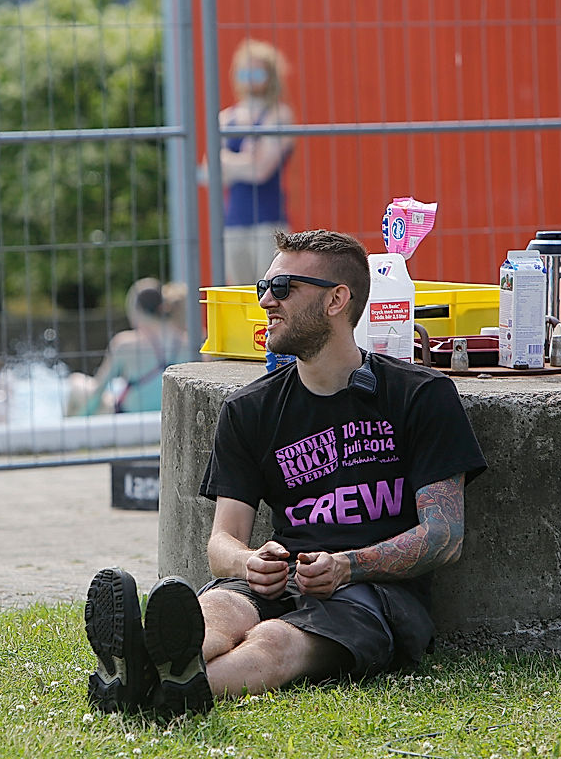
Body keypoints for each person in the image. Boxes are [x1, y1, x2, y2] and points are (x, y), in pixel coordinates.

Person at [83, 229, 487, 718]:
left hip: (372, 595)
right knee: (217, 613)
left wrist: (347, 566)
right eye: (264, 287)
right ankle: (149, 672)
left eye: (283, 288)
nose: (266, 302)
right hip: (275, 581)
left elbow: (444, 536)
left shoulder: (419, 394)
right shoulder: (249, 409)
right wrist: (248, 563)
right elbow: (221, 543)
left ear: (337, 300)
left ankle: (146, 690)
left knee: (273, 641)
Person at [199, 38, 295, 284]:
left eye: (257, 72)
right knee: (240, 293)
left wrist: (226, 161)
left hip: (269, 222)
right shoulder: (226, 118)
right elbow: (208, 173)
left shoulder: (278, 115)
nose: (250, 79)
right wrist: (246, 160)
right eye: (244, 72)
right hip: (234, 223)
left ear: (271, 75)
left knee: (272, 290)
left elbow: (261, 171)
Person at [65, 278, 193, 417]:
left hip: (126, 415)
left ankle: (68, 429)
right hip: (171, 415)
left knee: (76, 383)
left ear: (135, 310)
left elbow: (97, 394)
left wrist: (82, 418)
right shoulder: (189, 342)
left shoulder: (124, 344)